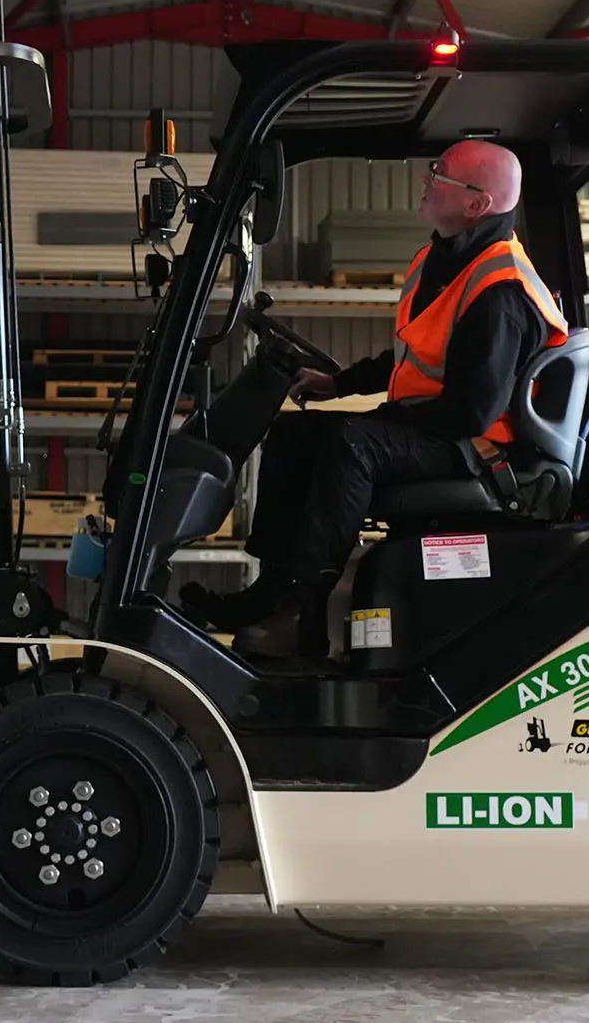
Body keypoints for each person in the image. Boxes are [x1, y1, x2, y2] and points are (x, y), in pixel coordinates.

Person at [184, 138, 567, 656]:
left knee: (352, 444)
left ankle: (304, 616)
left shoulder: (499, 290)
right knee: (296, 432)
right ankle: (270, 593)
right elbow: (413, 352)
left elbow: (472, 411)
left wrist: (383, 421)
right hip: (440, 425)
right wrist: (339, 385)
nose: (426, 180)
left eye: (441, 174)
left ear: (477, 205)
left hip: (476, 448)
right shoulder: (444, 259)